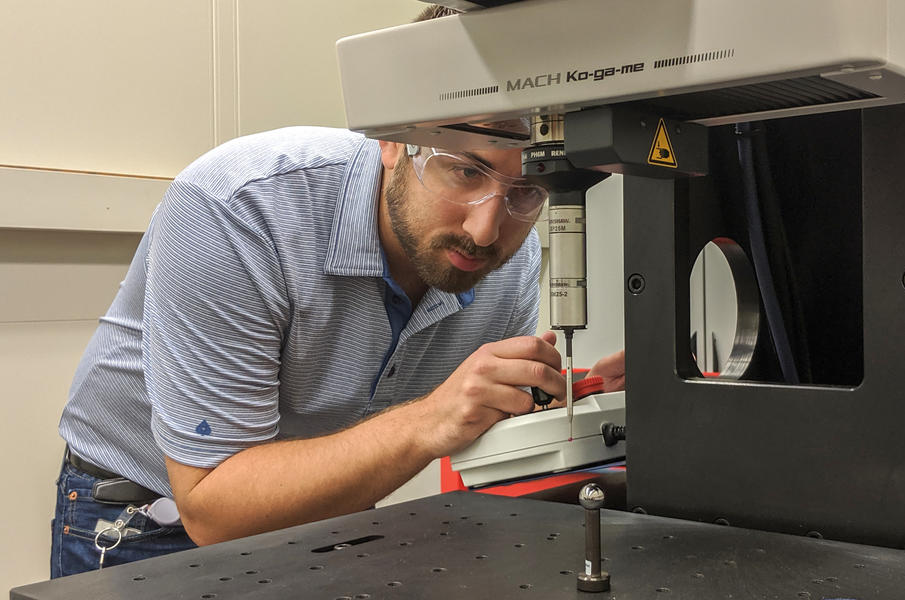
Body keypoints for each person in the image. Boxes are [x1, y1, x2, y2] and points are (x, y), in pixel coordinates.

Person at [52, 5, 625, 579]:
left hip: (329, 511)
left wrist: (580, 399)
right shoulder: (238, 207)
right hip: (151, 518)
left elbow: (470, 426)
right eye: (465, 172)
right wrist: (426, 420)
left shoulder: (509, 253)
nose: (484, 231)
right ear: (394, 141)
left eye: (526, 190)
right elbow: (214, 509)